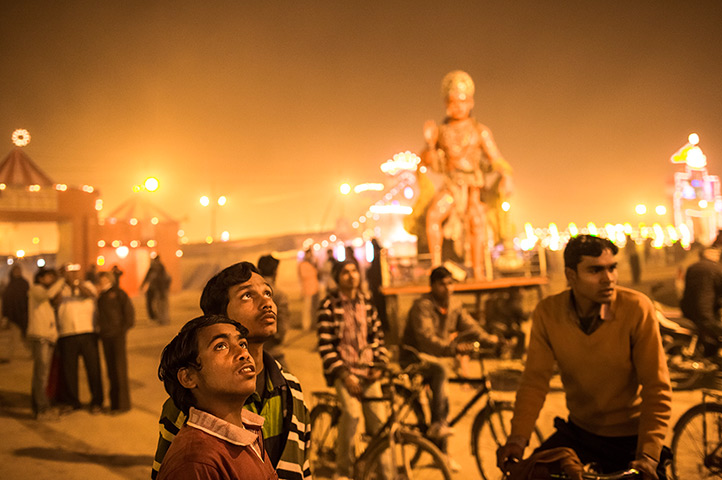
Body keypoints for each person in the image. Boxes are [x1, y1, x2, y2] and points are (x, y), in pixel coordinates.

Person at [497, 235, 672, 479]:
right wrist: (517, 439)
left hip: (630, 438)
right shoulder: (548, 313)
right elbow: (534, 382)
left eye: (612, 268)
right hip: (579, 432)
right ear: (571, 276)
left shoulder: (636, 308)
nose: (608, 278)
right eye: (595, 270)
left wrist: (649, 455)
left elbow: (657, 387)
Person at [151, 262, 311, 480]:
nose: (266, 303)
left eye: (267, 293)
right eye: (247, 296)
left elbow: (303, 467)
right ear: (218, 317)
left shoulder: (292, 389)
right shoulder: (190, 405)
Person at [156, 315, 277, 480]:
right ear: (188, 378)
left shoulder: (249, 431)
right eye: (221, 346)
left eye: (242, 344)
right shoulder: (195, 463)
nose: (243, 353)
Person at [400, 266, 496, 469]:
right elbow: (426, 340)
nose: (447, 288)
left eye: (450, 283)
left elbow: (471, 327)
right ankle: (437, 428)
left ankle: (441, 452)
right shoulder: (422, 306)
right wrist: (453, 349)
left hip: (436, 359)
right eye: (442, 284)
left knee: (443, 403)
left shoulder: (454, 305)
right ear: (433, 286)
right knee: (442, 375)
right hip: (414, 357)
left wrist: (492, 340)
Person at [421, 70, 513, 279]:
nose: (458, 107)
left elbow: (496, 158)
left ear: (470, 103)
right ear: (446, 103)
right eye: (453, 102)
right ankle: (436, 266)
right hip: (452, 185)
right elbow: (431, 163)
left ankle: (478, 270)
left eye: (462, 102)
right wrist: (429, 143)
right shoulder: (441, 132)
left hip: (473, 187)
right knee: (433, 215)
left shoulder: (480, 131)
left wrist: (506, 176)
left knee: (476, 222)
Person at [317, 259, 390, 480]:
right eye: (346, 272)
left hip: (369, 373)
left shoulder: (367, 302)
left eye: (354, 271)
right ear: (337, 277)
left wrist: (379, 364)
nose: (352, 276)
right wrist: (345, 376)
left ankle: (385, 473)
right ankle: (343, 471)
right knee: (352, 415)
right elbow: (326, 346)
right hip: (344, 373)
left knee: (379, 423)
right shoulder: (328, 305)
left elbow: (377, 337)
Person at [56, 263, 104, 413]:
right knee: (69, 370)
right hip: (67, 333)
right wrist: (62, 282)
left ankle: (97, 401)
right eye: (68, 272)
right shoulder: (59, 288)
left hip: (87, 332)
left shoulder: (87, 285)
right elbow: (54, 301)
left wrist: (76, 283)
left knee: (93, 368)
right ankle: (72, 401)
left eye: (74, 271)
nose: (71, 274)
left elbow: (91, 295)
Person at [26, 267, 65, 420]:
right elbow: (48, 294)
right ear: (40, 278)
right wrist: (61, 279)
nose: (51, 280)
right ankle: (42, 409)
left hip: (47, 337)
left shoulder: (43, 295)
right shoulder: (36, 289)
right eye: (48, 277)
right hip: (40, 337)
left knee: (41, 374)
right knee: (41, 375)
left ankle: (37, 407)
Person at [97, 271, 135, 413]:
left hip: (117, 336)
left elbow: (129, 314)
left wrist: (122, 330)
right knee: (111, 370)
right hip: (106, 336)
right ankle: (114, 404)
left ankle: (122, 405)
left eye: (104, 278)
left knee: (120, 369)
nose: (102, 281)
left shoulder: (118, 293)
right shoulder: (100, 296)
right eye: (100, 279)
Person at [680, 246, 722, 359]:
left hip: (689, 311)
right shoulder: (716, 268)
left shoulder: (692, 267)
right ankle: (712, 360)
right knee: (717, 332)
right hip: (705, 314)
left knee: (707, 335)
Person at [257, 254, 289, 369]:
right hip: (273, 350)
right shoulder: (279, 295)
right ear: (275, 271)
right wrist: (279, 336)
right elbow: (282, 324)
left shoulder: (250, 294)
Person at [2, 264, 30, 338]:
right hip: (12, 314)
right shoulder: (10, 285)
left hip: (23, 313)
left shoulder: (24, 283)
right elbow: (6, 300)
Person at [142, 255, 171, 324]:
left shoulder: (157, 269)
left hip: (160, 290)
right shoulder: (160, 269)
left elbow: (166, 280)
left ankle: (163, 319)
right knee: (161, 305)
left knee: (161, 305)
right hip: (160, 290)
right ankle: (163, 319)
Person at [297, 249, 319, 331]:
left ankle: (313, 324)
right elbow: (304, 275)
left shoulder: (312, 264)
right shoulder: (303, 265)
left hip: (315, 289)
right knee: (307, 309)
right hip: (307, 290)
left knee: (314, 308)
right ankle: (306, 326)